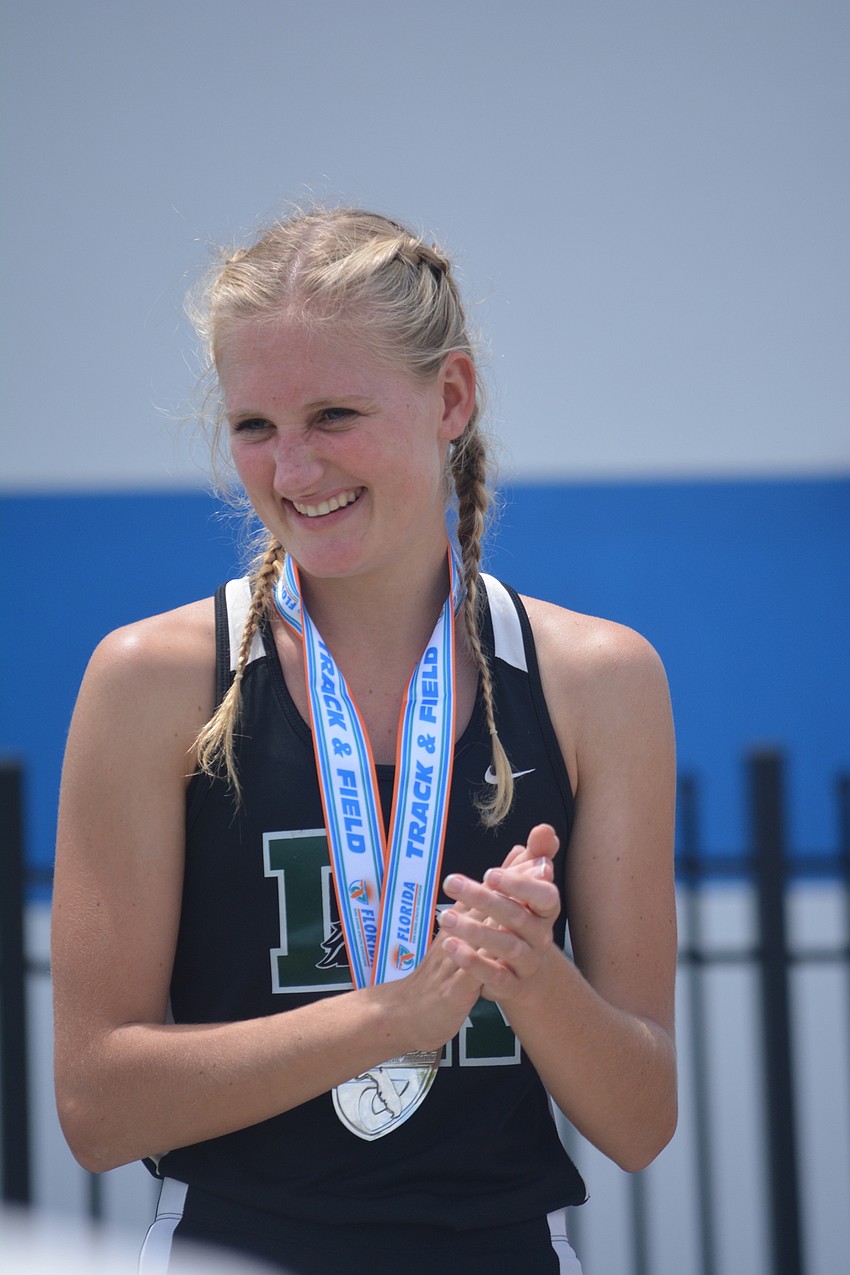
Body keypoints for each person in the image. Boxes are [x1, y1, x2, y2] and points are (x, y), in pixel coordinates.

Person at [52, 208, 678, 1275]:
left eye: (333, 414)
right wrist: (387, 1016)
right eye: (253, 426)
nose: (293, 471)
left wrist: (531, 975)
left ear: (450, 398)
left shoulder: (597, 681)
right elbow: (97, 1109)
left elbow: (640, 1121)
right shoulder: (150, 681)